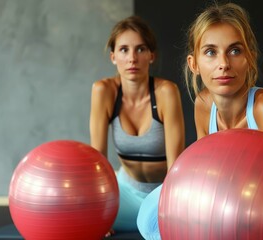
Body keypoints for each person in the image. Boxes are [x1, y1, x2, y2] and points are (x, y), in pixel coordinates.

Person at [137, 2, 263, 240]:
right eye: (211, 52)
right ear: (194, 64)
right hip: (254, 193)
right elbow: (206, 180)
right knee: (151, 216)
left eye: (234, 51)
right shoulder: (203, 104)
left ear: (250, 59)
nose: (224, 64)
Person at [89, 15, 185, 234]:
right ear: (113, 57)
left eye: (140, 49)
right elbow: (98, 159)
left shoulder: (166, 93)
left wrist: (168, 209)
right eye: (124, 50)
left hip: (162, 193)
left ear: (151, 56)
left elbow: (175, 166)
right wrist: (97, 216)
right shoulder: (104, 91)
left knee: (156, 229)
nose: (132, 58)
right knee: (76, 213)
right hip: (124, 193)